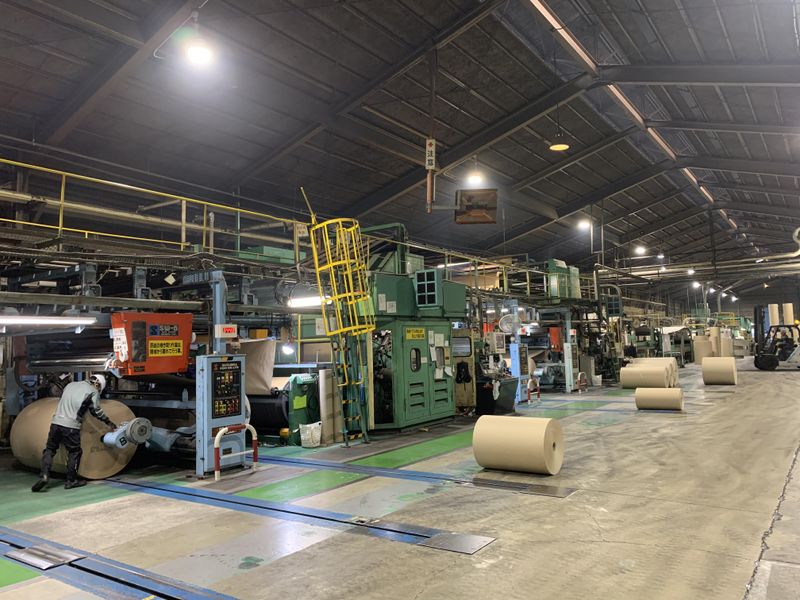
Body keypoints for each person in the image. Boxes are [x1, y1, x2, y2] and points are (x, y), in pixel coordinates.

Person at [31, 374, 116, 492]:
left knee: (50, 449)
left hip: (56, 423)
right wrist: (109, 422)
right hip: (71, 426)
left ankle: (44, 475)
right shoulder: (93, 392)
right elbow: (96, 411)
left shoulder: (70, 385)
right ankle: (71, 481)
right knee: (74, 452)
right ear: (98, 384)